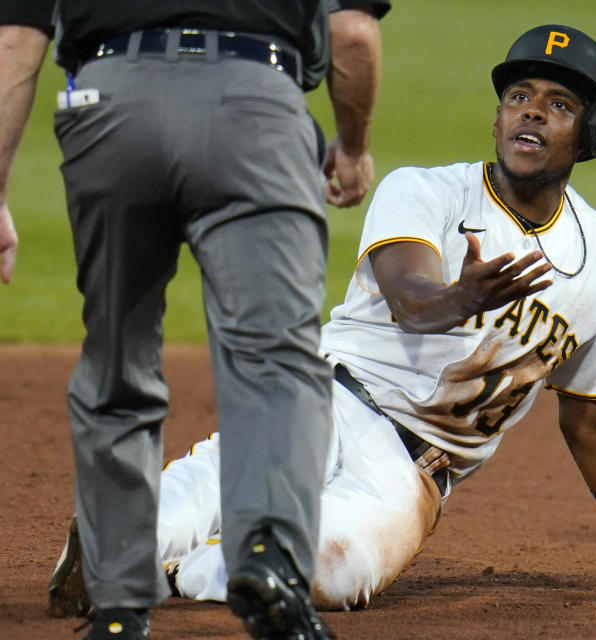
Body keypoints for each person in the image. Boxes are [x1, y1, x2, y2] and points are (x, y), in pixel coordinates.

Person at [47, 23, 596, 617]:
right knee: (198, 492)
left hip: (410, 471)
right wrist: (464, 298)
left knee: (333, 574)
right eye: (518, 95)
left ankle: (174, 572)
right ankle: (119, 547)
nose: (529, 110)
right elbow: (410, 295)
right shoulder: (427, 192)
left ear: (592, 134)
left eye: (557, 104)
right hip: (320, 399)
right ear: (495, 116)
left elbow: (594, 421)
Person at [1, 1, 389, 638]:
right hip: (255, 104)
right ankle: (269, 559)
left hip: (107, 104)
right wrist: (352, 148)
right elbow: (351, 33)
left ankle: (120, 603)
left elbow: (17, 39)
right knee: (276, 361)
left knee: (116, 359)